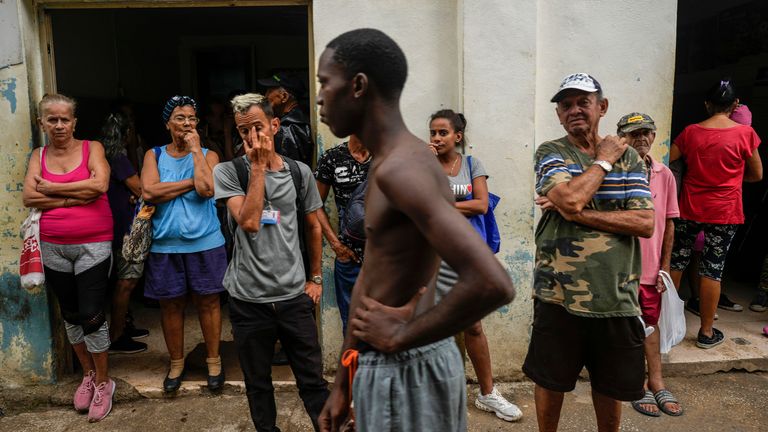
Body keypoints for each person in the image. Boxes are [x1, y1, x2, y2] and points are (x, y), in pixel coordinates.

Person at [316, 29, 515, 432]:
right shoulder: (386, 164)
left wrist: (401, 336)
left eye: (324, 82)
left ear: (358, 86)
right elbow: (370, 282)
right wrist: (344, 383)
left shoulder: (403, 170)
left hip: (406, 368)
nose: (319, 96)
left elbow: (493, 283)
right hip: (386, 364)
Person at [529, 73, 654, 432]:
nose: (574, 110)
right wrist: (602, 161)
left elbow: (645, 222)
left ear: (602, 107)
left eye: (583, 102)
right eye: (566, 105)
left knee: (610, 384)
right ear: (558, 114)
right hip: (557, 293)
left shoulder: (629, 156)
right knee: (550, 380)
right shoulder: (550, 152)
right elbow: (568, 196)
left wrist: (576, 212)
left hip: (616, 294)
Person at [213, 93, 329, 431]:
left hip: (294, 296)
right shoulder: (228, 172)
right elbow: (249, 222)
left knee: (313, 382)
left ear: (275, 126)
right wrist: (258, 168)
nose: (250, 138)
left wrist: (316, 278)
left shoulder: (299, 172)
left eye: (257, 128)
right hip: (248, 300)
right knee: (258, 384)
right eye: (243, 131)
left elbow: (312, 224)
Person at [23, 94, 116, 422]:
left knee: (91, 313)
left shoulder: (93, 148)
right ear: (42, 123)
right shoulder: (39, 155)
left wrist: (52, 190)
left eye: (65, 119)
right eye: (52, 120)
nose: (59, 125)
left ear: (74, 122)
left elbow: (101, 185)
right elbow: (28, 196)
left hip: (94, 242)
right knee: (72, 312)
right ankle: (87, 375)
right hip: (52, 245)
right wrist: (75, 196)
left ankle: (105, 382)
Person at [428, 109, 522, 423]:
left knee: (474, 326)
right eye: (433, 133)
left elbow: (481, 204)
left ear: (458, 136)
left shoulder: (471, 165)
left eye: (443, 133)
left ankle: (487, 393)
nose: (437, 138)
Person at [141, 95, 227, 392]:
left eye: (192, 118)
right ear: (168, 124)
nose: (188, 123)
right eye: (180, 118)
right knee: (171, 306)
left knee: (209, 302)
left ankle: (213, 360)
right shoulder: (153, 155)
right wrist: (189, 183)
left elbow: (207, 190)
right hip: (165, 245)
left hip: (205, 242)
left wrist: (194, 153)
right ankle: (176, 362)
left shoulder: (208, 155)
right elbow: (149, 192)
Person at [668, 79, 762, 349]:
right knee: (713, 270)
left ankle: (666, 325)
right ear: (735, 105)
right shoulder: (746, 133)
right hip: (725, 211)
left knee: (676, 263)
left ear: (707, 104)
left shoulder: (690, 132)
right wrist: (730, 177)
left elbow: (668, 160)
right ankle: (706, 332)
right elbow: (757, 174)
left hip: (689, 207)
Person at [615, 113, 683, 417]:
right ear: (621, 138)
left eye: (646, 133)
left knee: (650, 325)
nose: (641, 139)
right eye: (633, 134)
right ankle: (635, 383)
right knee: (627, 327)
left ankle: (656, 380)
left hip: (650, 267)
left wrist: (664, 268)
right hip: (620, 267)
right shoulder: (612, 172)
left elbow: (669, 223)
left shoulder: (664, 173)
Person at [100, 113, 150, 354]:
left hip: (116, 224)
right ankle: (117, 336)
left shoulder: (108, 156)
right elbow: (140, 188)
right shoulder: (118, 157)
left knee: (124, 279)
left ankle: (124, 327)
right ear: (127, 133)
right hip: (125, 228)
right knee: (127, 281)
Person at [315, 134, 371, 334]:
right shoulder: (332, 158)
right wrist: (336, 245)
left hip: (385, 259)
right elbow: (314, 205)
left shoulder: (388, 155)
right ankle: (355, 366)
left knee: (387, 326)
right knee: (353, 328)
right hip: (350, 257)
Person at [258, 72, 315, 166]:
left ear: (284, 96)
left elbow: (286, 170)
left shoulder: (287, 128)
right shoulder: (298, 118)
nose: (265, 96)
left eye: (269, 91)